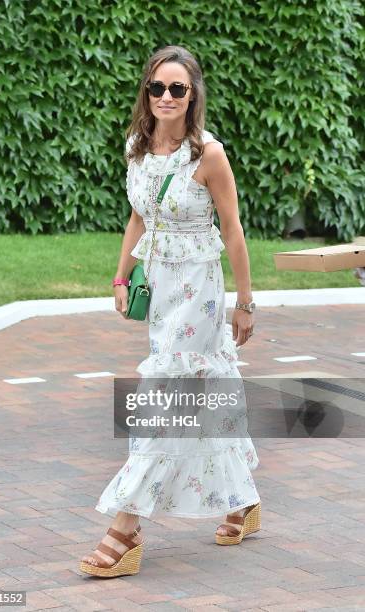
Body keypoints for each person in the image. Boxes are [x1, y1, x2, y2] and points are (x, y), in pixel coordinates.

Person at [80, 45, 261, 578]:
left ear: (192, 95)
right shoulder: (137, 147)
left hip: (200, 289)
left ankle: (125, 529)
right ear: (147, 92)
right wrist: (121, 276)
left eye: (177, 89)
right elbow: (138, 218)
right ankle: (243, 502)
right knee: (203, 389)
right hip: (159, 288)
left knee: (168, 399)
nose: (165, 97)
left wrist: (244, 304)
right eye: (157, 87)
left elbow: (233, 231)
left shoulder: (209, 155)